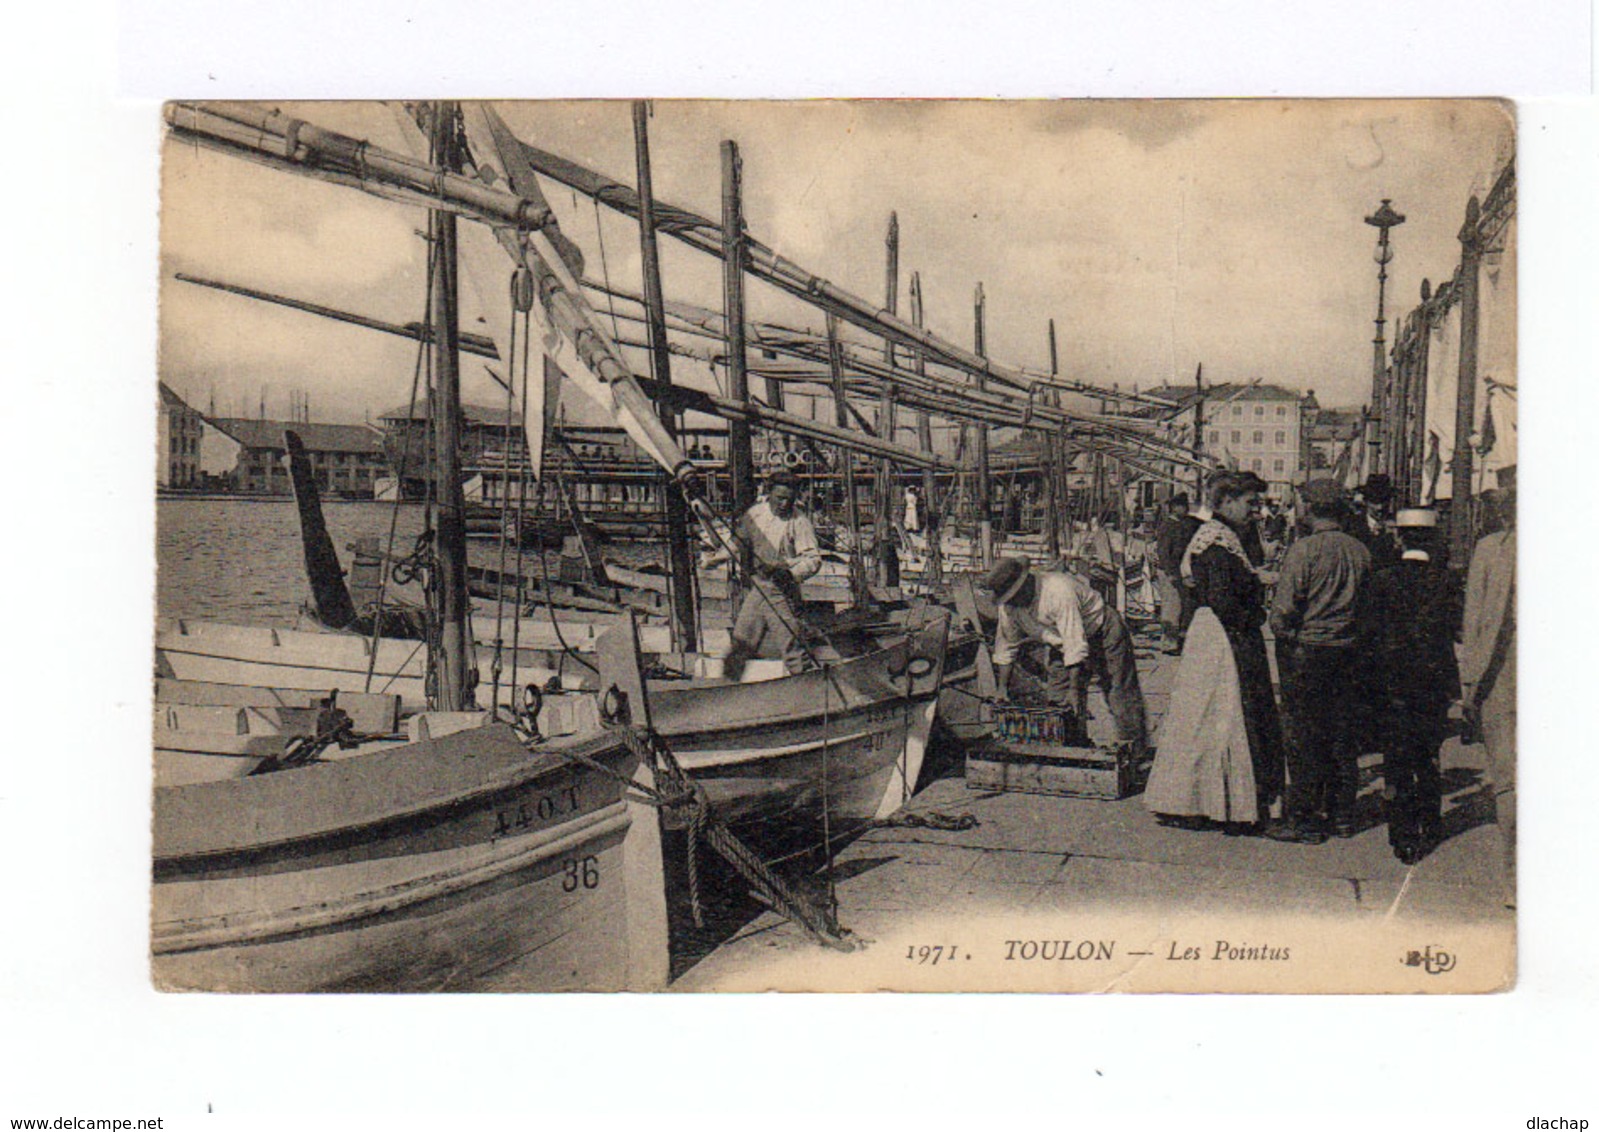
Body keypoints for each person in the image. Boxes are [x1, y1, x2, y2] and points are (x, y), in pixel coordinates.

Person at [1144, 473, 1286, 831]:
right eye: (1250, 503)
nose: (1256, 511)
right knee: (1224, 717)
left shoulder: (1224, 538)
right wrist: (1257, 609)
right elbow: (1224, 599)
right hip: (1222, 636)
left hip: (1217, 632)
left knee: (1211, 718)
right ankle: (1215, 805)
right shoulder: (1215, 542)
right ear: (1224, 502)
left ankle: (1208, 802)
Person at [1267, 479, 1372, 843]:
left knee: (1302, 736)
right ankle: (1342, 815)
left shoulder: (1304, 550)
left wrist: (1285, 632)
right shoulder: (1361, 551)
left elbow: (1282, 612)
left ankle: (1305, 819)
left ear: (1310, 508)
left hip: (1308, 652)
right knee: (1342, 736)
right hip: (1349, 653)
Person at [1359, 508, 1461, 864]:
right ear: (1432, 540)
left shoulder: (1382, 580)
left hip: (1391, 685)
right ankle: (1430, 827)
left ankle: (1402, 836)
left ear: (1398, 538)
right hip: (1432, 684)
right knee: (1429, 756)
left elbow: (1368, 636)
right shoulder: (1446, 581)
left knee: (1397, 759)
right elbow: (1453, 633)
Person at [978, 556, 1147, 751]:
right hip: (1059, 642)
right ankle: (1072, 749)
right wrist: (1002, 689)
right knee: (1058, 700)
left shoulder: (1058, 590)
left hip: (1103, 631)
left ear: (1025, 585)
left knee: (1118, 693)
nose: (1012, 603)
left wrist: (1074, 690)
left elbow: (1074, 642)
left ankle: (1135, 751)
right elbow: (1006, 646)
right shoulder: (1010, 607)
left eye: (1014, 597)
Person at [1460, 486, 1516, 903]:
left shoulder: (1490, 550)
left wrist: (1469, 687)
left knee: (1509, 777)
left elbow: (1476, 619)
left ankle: (1516, 877)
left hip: (1502, 675)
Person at [718, 470, 822, 677]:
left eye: (789, 500)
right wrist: (715, 557)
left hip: (781, 590)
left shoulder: (799, 522)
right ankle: (729, 685)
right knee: (741, 640)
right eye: (780, 498)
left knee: (791, 643)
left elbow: (813, 559)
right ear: (769, 494)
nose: (784, 504)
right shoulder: (755, 514)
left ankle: (807, 686)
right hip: (758, 587)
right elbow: (738, 542)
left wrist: (791, 574)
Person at [1153, 493, 1198, 654]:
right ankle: (1168, 643)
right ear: (1175, 508)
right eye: (1183, 506)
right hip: (1168, 571)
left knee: (1181, 606)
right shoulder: (1168, 525)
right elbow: (1164, 552)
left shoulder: (1181, 524)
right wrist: (1170, 572)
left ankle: (1178, 640)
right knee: (1171, 607)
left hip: (1178, 571)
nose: (1186, 510)